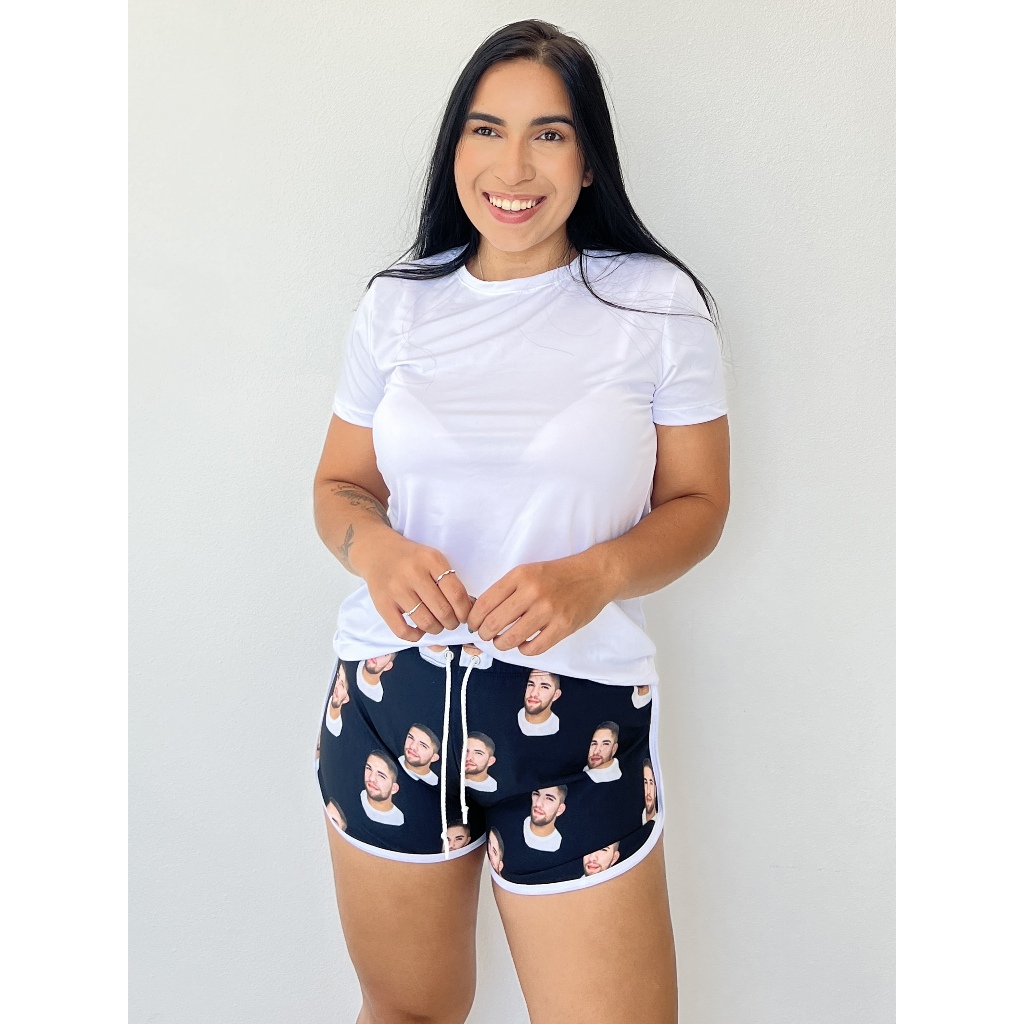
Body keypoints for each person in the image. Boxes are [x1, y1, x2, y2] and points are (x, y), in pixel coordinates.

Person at [312, 18, 729, 1023]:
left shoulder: (656, 305)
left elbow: (700, 504)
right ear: (454, 146)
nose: (513, 167)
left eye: (549, 134)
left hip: (577, 718)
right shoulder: (397, 306)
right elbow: (339, 486)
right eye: (486, 129)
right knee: (404, 1011)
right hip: (387, 701)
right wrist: (378, 551)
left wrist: (593, 575)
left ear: (588, 159)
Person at [360, 750, 405, 825]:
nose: (371, 778)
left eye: (381, 776)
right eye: (369, 768)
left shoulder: (398, 820)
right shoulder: (353, 796)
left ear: (394, 788)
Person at [523, 784, 568, 851]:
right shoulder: (511, 824)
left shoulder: (563, 846)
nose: (538, 803)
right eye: (536, 794)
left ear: (560, 809)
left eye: (549, 799)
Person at [517, 669, 562, 735]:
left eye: (544, 687)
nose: (533, 693)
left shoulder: (558, 726)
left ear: (556, 695)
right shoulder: (508, 716)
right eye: (531, 684)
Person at [324, 662, 350, 737]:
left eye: (342, 685)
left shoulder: (339, 730)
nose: (337, 684)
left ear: (346, 698)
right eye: (338, 677)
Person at [642, 758, 659, 826]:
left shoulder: (660, 824)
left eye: (651, 783)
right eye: (645, 782)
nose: (648, 791)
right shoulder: (635, 816)